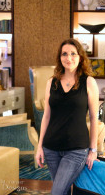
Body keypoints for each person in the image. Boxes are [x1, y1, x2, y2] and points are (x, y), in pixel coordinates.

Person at [36, 38, 99, 195]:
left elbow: (93, 118)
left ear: (80, 57)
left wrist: (93, 150)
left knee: (57, 192)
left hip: (76, 150)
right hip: (51, 148)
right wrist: (39, 147)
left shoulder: (89, 82)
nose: (68, 58)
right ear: (60, 57)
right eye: (64, 54)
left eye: (73, 54)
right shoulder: (52, 82)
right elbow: (46, 117)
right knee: (62, 191)